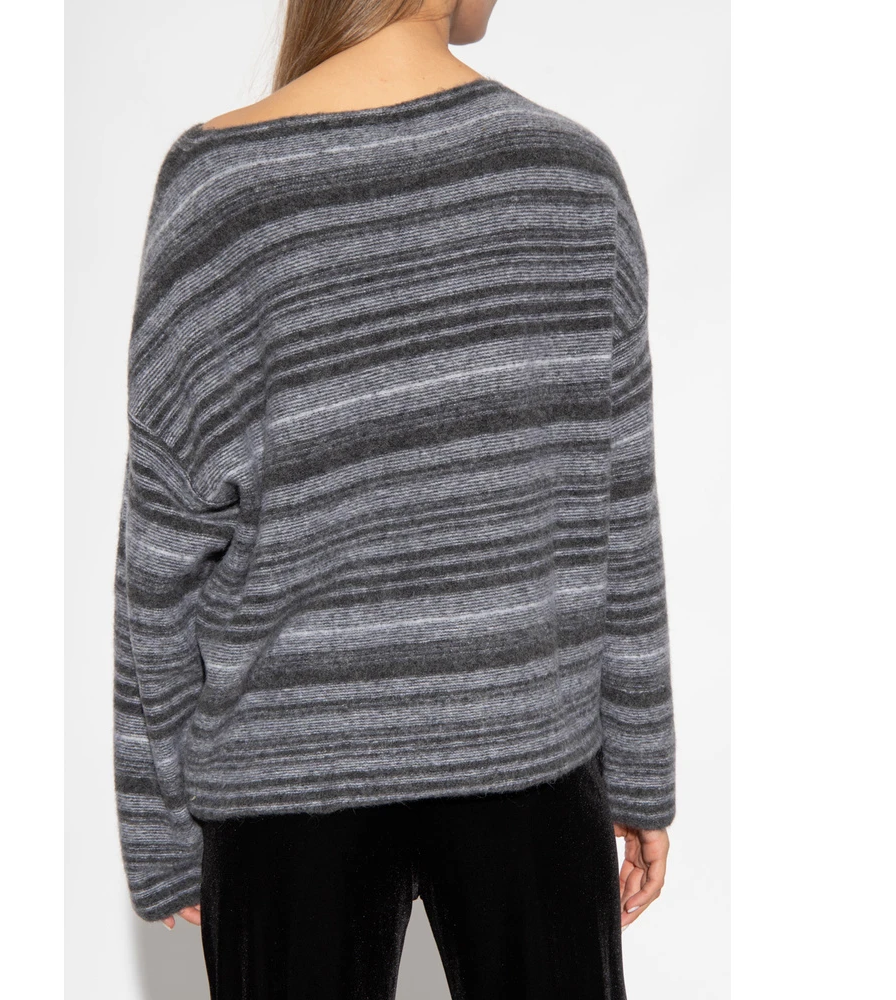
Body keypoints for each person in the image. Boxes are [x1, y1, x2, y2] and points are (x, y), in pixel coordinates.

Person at [112, 1, 676, 996]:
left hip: (284, 777)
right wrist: (639, 769)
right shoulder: (571, 177)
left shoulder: (221, 190)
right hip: (526, 750)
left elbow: (161, 551)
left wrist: (158, 824)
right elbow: (617, 510)